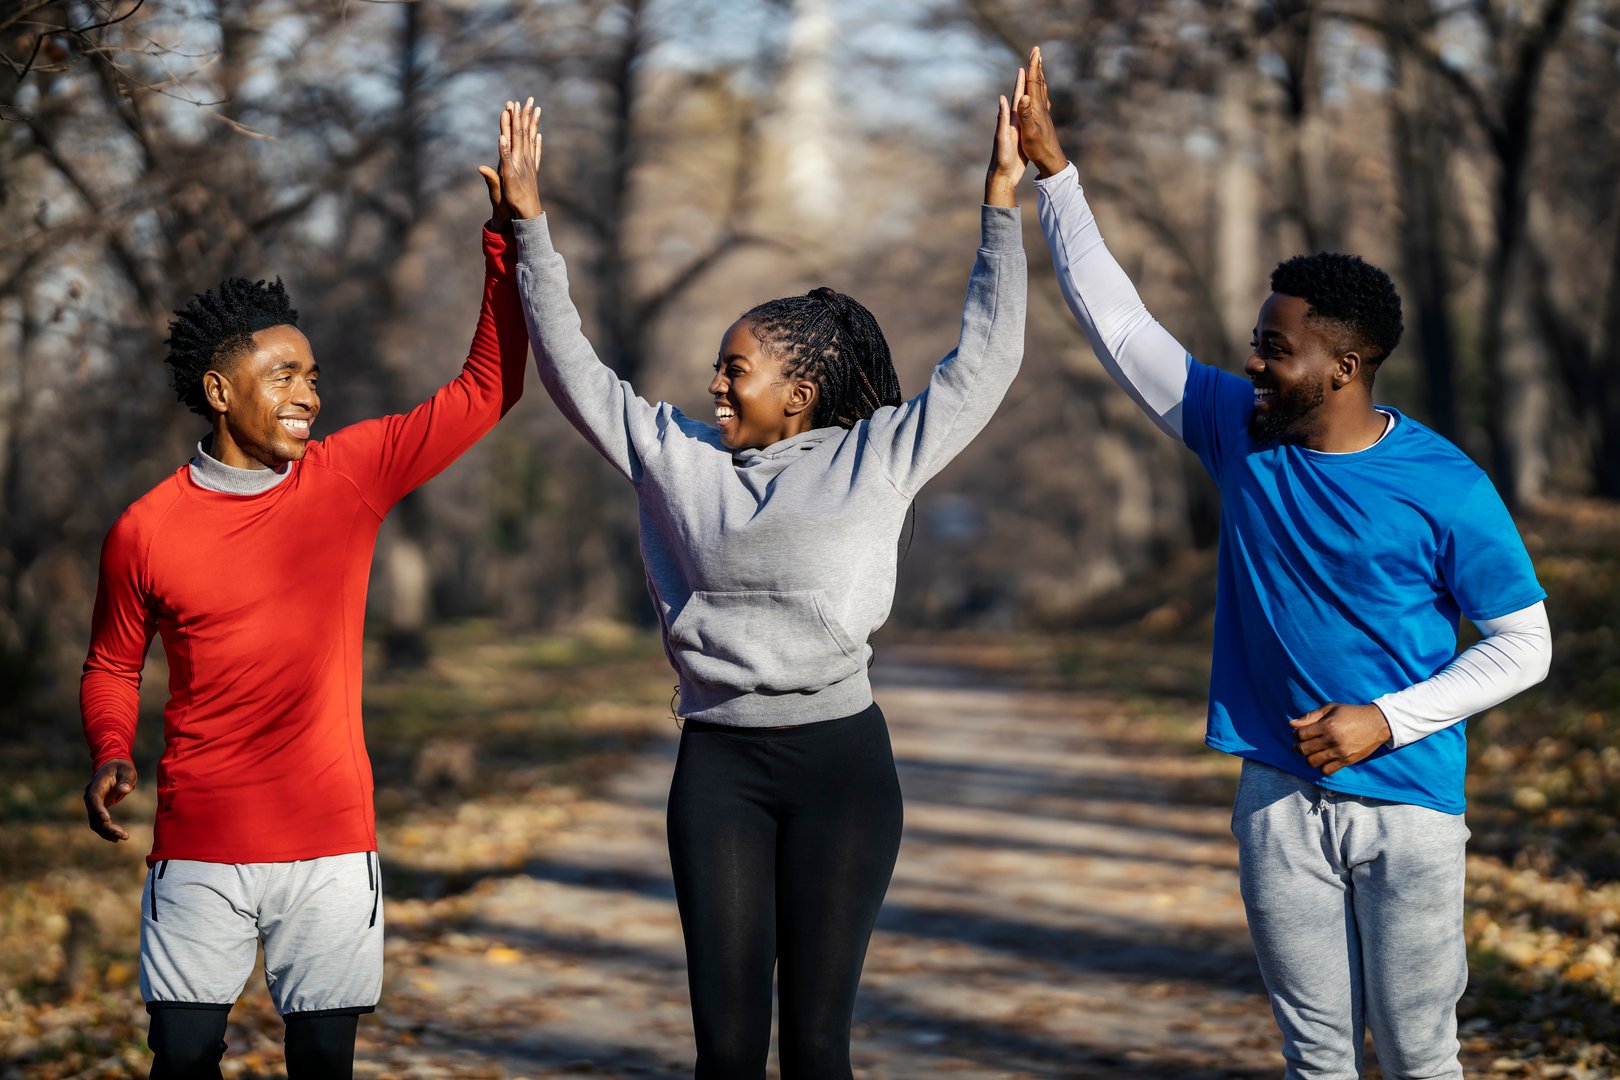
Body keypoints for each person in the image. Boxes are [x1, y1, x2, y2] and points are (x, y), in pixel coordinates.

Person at [1014, 46, 1552, 1080]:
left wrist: (1385, 721)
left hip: (1412, 806)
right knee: (1315, 1056)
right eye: (1256, 343)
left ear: (1344, 366)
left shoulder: (1444, 484)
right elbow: (1117, 322)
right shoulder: (1237, 430)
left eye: (1275, 347)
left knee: (1417, 1053)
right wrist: (1057, 178)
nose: (1253, 360)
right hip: (1276, 795)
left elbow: (1525, 645)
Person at [500, 79, 1028, 1078]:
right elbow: (574, 371)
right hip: (720, 771)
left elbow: (985, 363)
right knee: (727, 1051)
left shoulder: (880, 455)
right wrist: (531, 229)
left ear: (798, 392)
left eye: (733, 368)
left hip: (843, 769)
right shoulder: (676, 458)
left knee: (818, 1047)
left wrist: (1001, 205)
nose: (713, 383)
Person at [78, 101, 540, 1079]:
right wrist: (110, 749)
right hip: (200, 841)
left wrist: (508, 238)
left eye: (314, 375)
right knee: (181, 1062)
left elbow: (487, 390)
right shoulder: (146, 528)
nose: (310, 393)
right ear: (219, 391)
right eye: (284, 374)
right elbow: (114, 661)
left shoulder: (349, 477)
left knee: (322, 1068)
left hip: (332, 842)